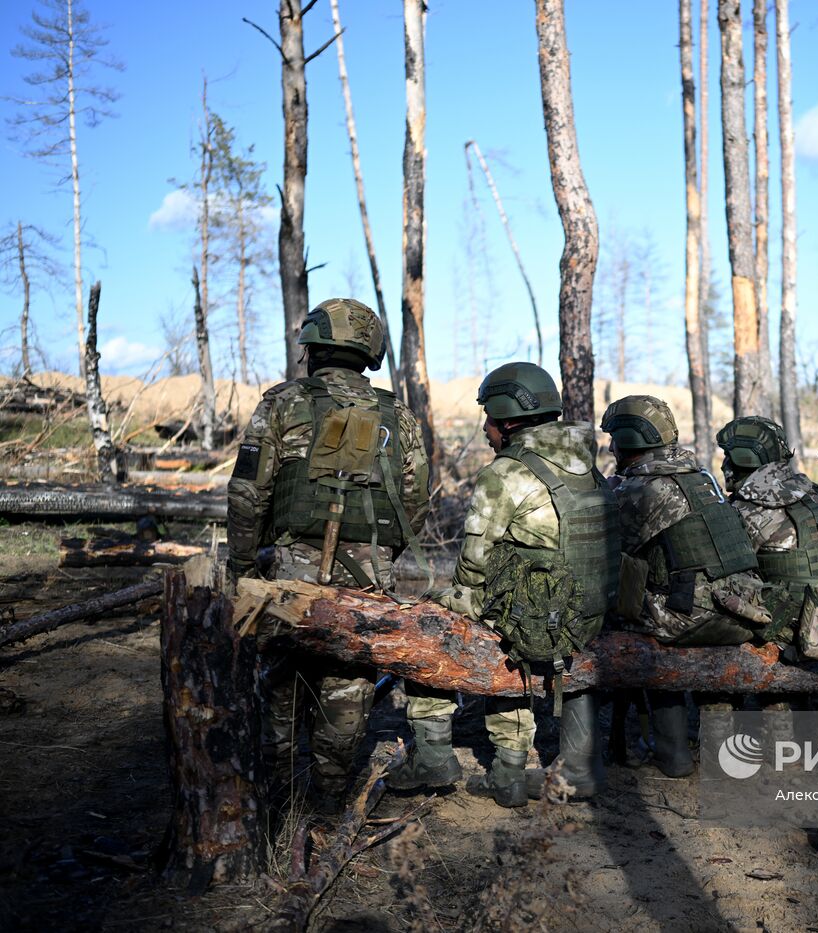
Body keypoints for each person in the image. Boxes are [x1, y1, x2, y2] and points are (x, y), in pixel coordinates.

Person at [226, 298, 429, 807]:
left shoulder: (282, 402)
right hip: (367, 581)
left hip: (287, 577)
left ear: (312, 348)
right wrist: (381, 554)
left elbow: (248, 493)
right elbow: (416, 504)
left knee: (279, 687)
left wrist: (243, 567)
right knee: (348, 689)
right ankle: (328, 807)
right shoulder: (398, 416)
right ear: (370, 352)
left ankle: (275, 805)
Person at [430, 362, 620, 807]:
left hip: (540, 624)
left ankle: (495, 769)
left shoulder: (505, 474)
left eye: (489, 420)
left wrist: (450, 600)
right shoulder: (586, 464)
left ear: (508, 419)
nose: (485, 430)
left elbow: (473, 565)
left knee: (437, 617)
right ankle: (580, 765)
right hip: (595, 614)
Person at [601, 396, 769, 777]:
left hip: (691, 615)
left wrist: (607, 496)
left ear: (630, 441)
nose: (610, 448)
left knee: (618, 611)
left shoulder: (643, 489)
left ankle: (671, 752)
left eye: (614, 439)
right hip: (742, 607)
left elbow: (605, 548)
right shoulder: (701, 478)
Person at [718, 417, 818, 661]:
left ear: (745, 458)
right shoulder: (813, 494)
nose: (724, 464)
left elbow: (720, 570)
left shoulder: (752, 508)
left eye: (728, 455)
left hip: (791, 637)